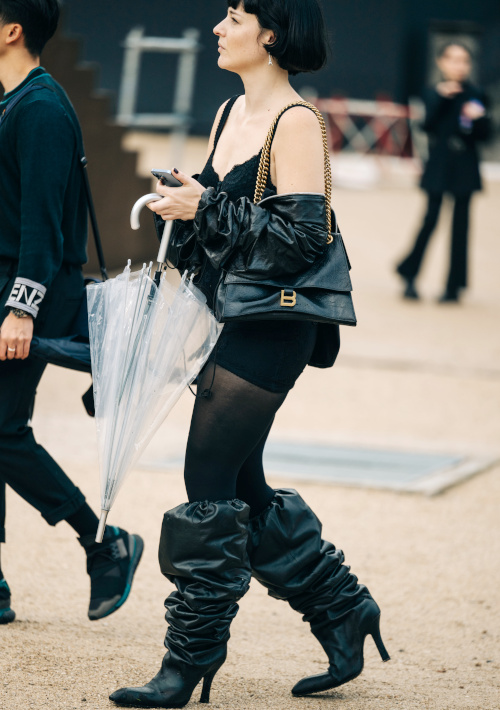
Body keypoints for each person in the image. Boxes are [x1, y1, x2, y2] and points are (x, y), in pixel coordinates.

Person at [110, 2, 389, 707]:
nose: (218, 28)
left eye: (234, 17)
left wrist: (205, 207)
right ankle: (344, 609)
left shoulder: (296, 122)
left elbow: (303, 240)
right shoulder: (229, 110)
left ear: (270, 34)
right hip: (229, 317)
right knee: (241, 481)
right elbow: (228, 225)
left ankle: (187, 661)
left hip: (274, 325)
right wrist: (187, 207)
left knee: (206, 477)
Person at [0, 0, 143, 625]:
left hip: (26, 292)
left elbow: (43, 225)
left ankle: (102, 540)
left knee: (3, 431)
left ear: (12, 31)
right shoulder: (15, 101)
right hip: (11, 285)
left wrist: (20, 308)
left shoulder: (40, 108)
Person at [396, 42, 491, 303]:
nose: (459, 66)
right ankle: (409, 274)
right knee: (430, 221)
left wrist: (478, 119)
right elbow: (427, 126)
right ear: (441, 62)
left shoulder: (477, 94)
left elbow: (485, 135)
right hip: (439, 165)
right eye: (453, 60)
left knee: (461, 227)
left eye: (464, 61)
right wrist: (441, 99)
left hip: (466, 167)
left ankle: (454, 286)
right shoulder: (432, 92)